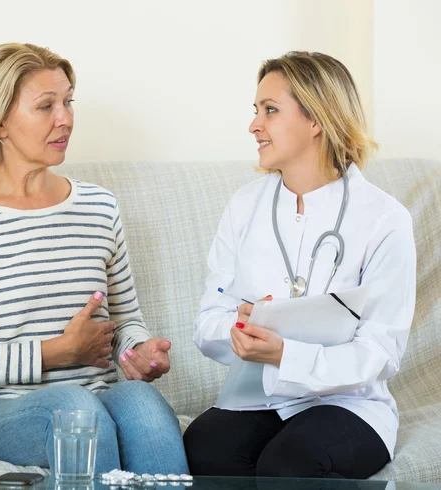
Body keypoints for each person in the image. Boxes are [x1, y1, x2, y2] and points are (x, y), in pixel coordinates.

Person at [0, 43, 188, 475]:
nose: (66, 118)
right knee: (73, 408)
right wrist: (55, 352)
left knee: (143, 403)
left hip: (93, 398)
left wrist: (138, 350)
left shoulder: (100, 207)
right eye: (46, 106)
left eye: (67, 101)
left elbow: (125, 320)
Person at [183, 51, 416, 479]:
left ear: (317, 120)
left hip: (349, 403)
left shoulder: (385, 219)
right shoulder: (245, 206)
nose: (254, 125)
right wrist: (237, 330)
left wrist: (287, 355)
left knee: (289, 463)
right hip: (259, 397)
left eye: (270, 110)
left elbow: (380, 353)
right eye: (256, 111)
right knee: (203, 449)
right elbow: (207, 323)